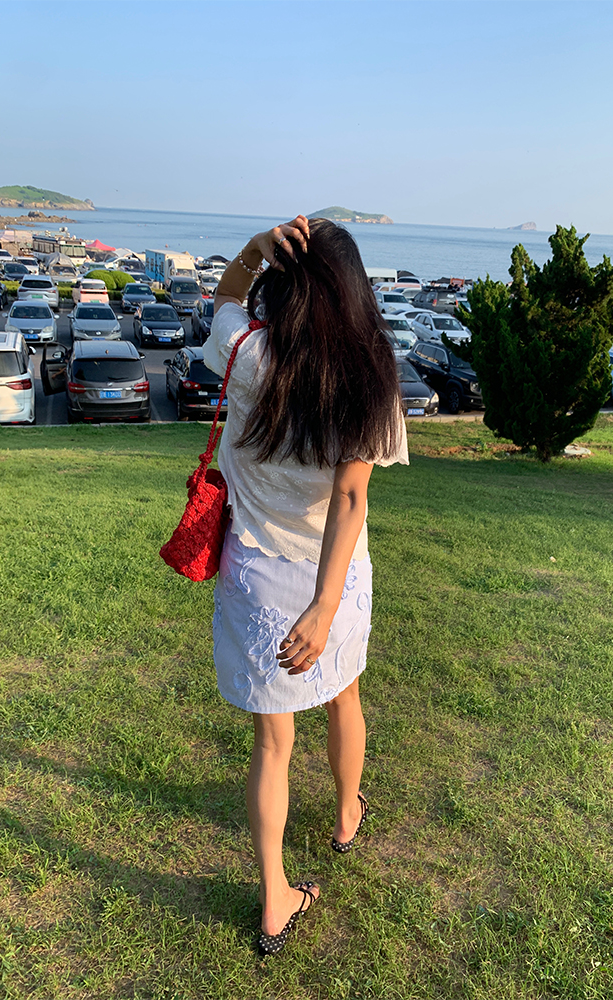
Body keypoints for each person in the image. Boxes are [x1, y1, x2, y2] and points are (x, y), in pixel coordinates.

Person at [203, 215, 408, 955]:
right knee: (344, 695)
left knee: (272, 743)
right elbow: (351, 497)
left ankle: (274, 900)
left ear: (286, 285)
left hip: (254, 571)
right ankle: (348, 814)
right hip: (334, 575)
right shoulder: (370, 378)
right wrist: (324, 606)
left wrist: (254, 249)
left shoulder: (248, 353)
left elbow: (225, 299)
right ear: (353, 290)